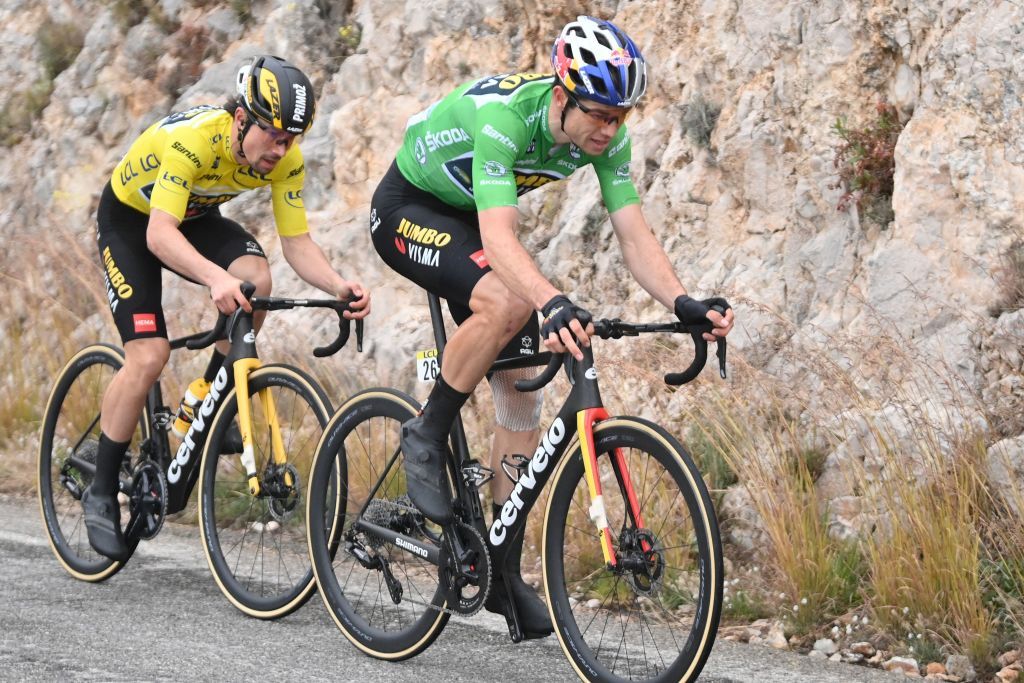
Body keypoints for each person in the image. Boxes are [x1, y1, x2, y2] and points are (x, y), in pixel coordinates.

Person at [369, 15, 734, 637]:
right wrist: (551, 300)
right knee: (512, 307)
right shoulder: (506, 121)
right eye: (598, 114)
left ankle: (497, 559)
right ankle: (427, 432)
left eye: (620, 117)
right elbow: (497, 234)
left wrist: (682, 302)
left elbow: (632, 231)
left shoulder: (604, 134)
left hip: (471, 220)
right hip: (409, 208)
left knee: (520, 392)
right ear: (562, 96)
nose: (610, 128)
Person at [83, 55, 371, 561]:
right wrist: (215, 276)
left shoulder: (287, 159)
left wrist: (338, 284)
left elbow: (297, 243)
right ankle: (102, 490)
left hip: (193, 214)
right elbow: (158, 234)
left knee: (256, 279)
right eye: (274, 136)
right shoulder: (192, 141)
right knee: (149, 356)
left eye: (292, 139)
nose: (281, 150)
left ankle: (208, 394)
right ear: (242, 120)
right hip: (133, 221)